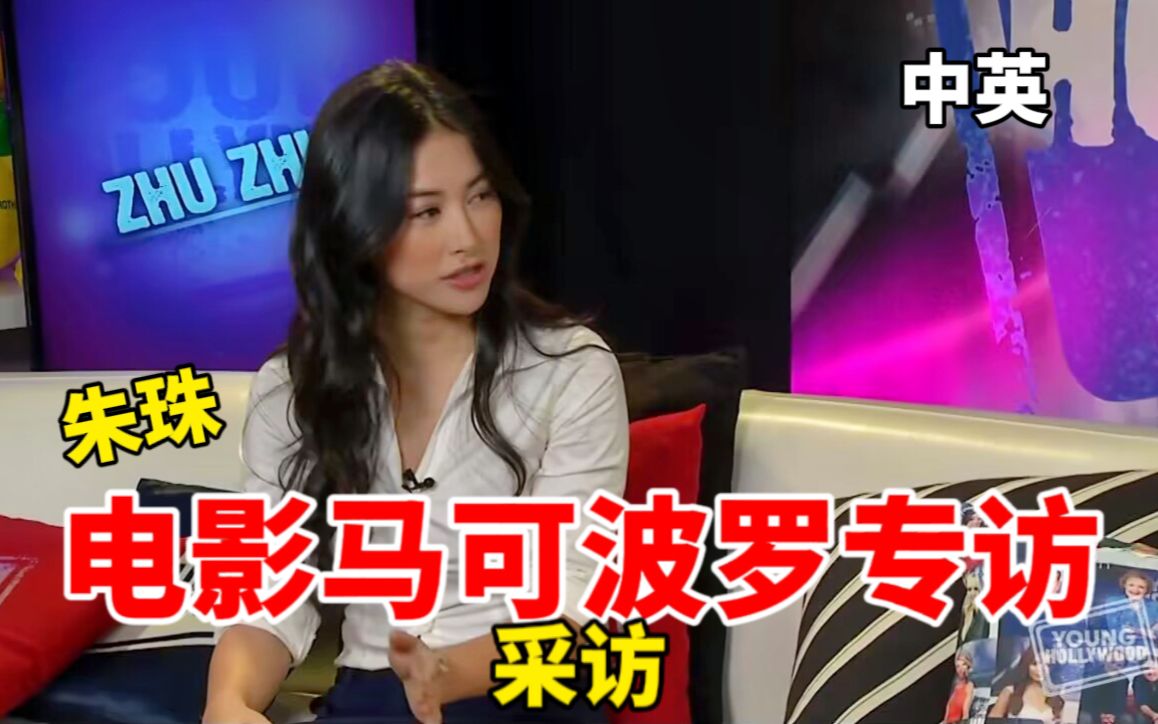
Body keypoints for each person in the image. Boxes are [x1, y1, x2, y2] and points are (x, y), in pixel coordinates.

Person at [201, 60, 628, 724]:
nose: (468, 237)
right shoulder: (293, 390)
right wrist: (228, 704)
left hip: (528, 688)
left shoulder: (571, 368)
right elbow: (267, 593)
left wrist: (444, 674)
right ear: (356, 229)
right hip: (373, 696)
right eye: (426, 211)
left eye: (480, 197)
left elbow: (577, 599)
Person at [989, 646, 1066, 723]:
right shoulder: (1010, 691)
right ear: (1026, 665)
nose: (1039, 669)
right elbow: (993, 721)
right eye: (1035, 664)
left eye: (1047, 665)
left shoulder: (1055, 696)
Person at [942, 651, 975, 723]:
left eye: (963, 664)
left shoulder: (969, 686)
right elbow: (948, 709)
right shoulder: (955, 686)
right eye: (958, 666)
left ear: (968, 666)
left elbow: (965, 712)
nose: (960, 669)